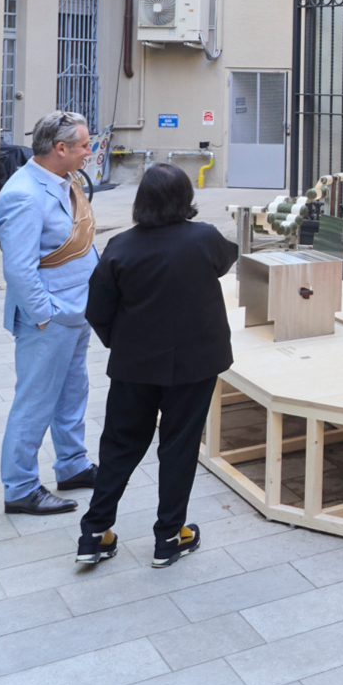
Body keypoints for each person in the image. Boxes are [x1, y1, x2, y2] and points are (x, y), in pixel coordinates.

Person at [74, 163, 239, 568]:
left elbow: (97, 309)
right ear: (186, 199)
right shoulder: (204, 239)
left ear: (141, 200)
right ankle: (169, 536)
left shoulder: (120, 247)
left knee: (119, 445)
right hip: (195, 363)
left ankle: (95, 532)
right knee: (179, 446)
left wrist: (124, 343)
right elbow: (225, 261)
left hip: (135, 365)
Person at [0, 109, 100, 515]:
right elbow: (18, 267)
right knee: (35, 402)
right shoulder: (23, 193)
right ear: (60, 148)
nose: (89, 152)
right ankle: (20, 488)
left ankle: (72, 465)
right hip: (51, 318)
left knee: (73, 393)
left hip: (76, 311)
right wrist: (46, 314)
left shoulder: (61, 179)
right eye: (84, 145)